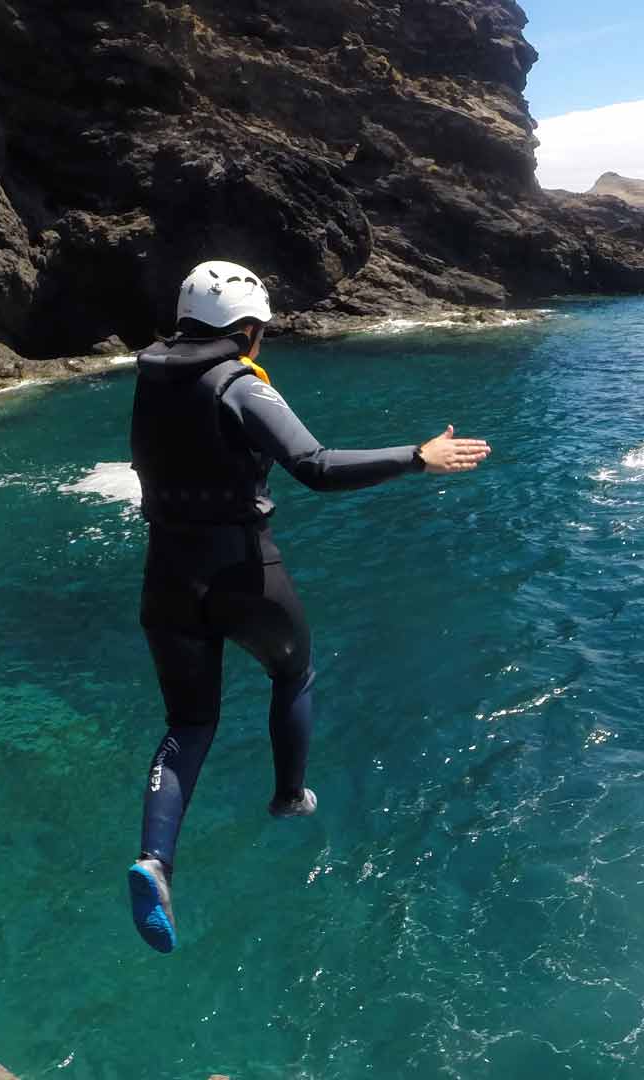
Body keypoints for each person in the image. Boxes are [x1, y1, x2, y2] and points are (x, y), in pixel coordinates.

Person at [125, 259, 491, 954]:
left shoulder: (152, 379)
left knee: (189, 723)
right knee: (293, 672)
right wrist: (417, 456)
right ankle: (290, 796)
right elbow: (315, 466)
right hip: (239, 570)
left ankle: (154, 860)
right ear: (247, 328)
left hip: (165, 578)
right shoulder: (237, 384)